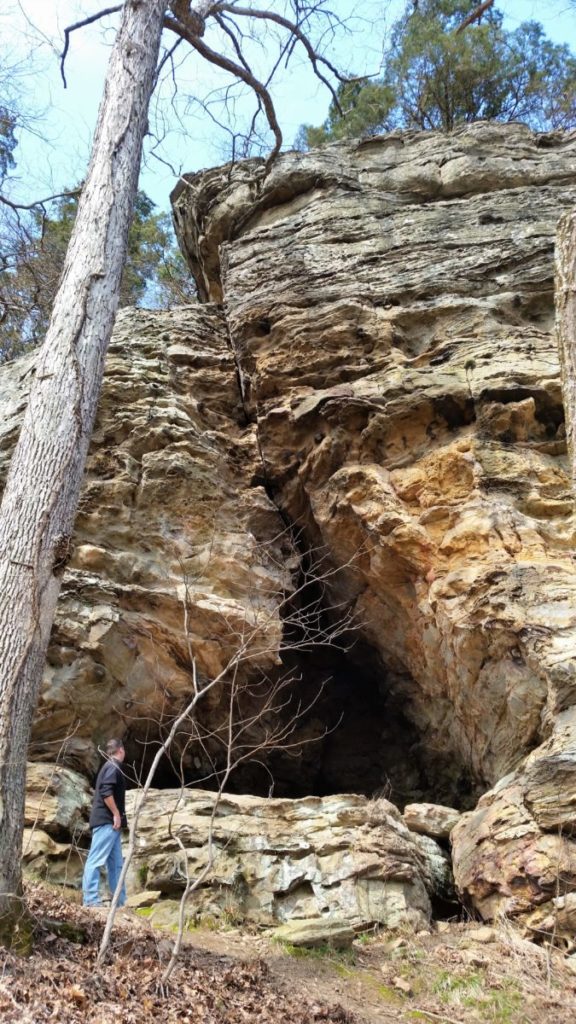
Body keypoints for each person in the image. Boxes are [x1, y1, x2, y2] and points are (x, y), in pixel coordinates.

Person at [82, 738, 128, 907]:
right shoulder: (113, 767)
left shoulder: (108, 767)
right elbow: (106, 791)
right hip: (107, 822)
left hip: (111, 825)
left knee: (116, 865)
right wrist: (116, 814)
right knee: (95, 860)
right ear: (121, 750)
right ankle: (90, 900)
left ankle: (120, 903)